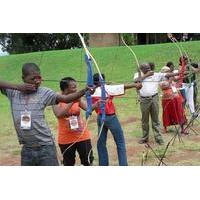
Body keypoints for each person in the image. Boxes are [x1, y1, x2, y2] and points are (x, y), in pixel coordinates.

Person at [1, 63, 94, 166]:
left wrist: (84, 90)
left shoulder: (44, 92)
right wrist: (17, 87)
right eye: (33, 79)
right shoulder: (13, 92)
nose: (37, 81)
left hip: (45, 147)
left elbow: (65, 98)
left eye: (39, 78)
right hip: (27, 148)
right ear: (23, 78)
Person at [91, 73, 142, 166]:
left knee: (101, 143)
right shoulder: (107, 89)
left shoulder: (91, 91)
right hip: (110, 118)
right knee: (120, 143)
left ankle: (103, 165)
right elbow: (122, 86)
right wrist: (136, 85)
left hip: (100, 118)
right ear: (101, 81)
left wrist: (105, 86)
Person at [53, 77, 99, 166]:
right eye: (73, 87)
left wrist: (97, 105)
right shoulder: (56, 98)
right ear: (66, 89)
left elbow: (87, 108)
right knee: (68, 164)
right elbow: (59, 114)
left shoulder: (77, 97)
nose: (76, 89)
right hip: (65, 139)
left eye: (76, 87)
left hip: (82, 136)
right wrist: (72, 101)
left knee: (88, 162)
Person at [134, 62, 181, 145]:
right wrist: (146, 75)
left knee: (155, 120)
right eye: (146, 68)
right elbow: (136, 81)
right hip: (144, 100)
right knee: (145, 120)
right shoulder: (138, 75)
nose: (149, 70)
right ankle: (145, 138)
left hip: (154, 98)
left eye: (149, 68)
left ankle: (158, 138)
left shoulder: (156, 75)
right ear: (141, 69)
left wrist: (180, 72)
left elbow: (167, 75)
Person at [159, 66, 187, 134]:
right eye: (167, 71)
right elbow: (165, 86)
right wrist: (170, 80)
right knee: (166, 113)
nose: (169, 73)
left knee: (179, 112)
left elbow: (179, 79)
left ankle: (182, 129)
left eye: (169, 71)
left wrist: (183, 74)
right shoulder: (161, 80)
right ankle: (165, 128)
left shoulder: (172, 78)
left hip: (176, 98)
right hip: (167, 99)